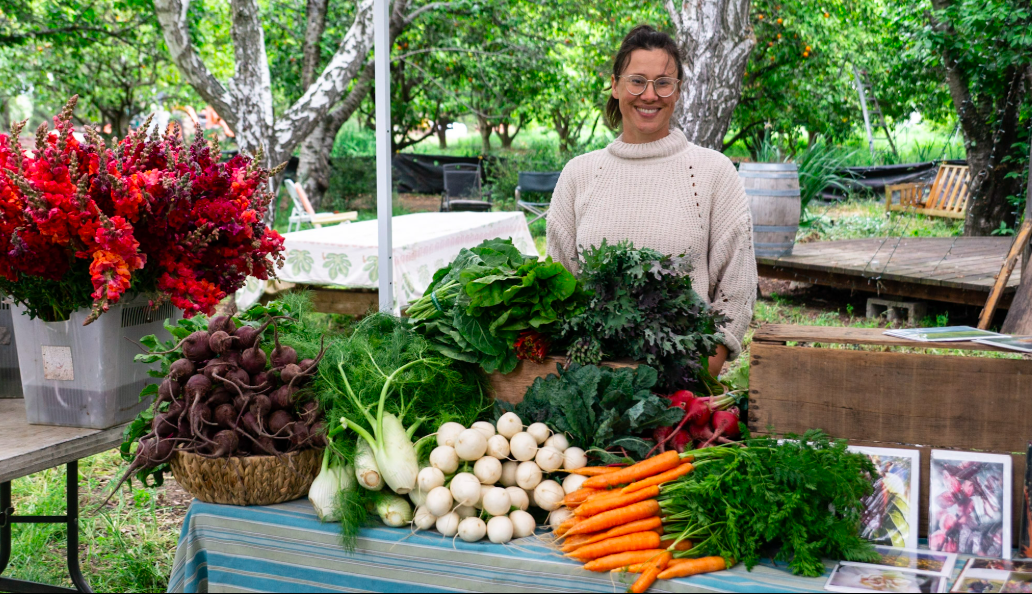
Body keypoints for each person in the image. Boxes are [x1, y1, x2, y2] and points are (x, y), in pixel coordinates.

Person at [546, 24, 758, 376]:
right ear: (615, 86)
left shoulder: (711, 172)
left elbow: (737, 288)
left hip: (683, 382)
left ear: (677, 92)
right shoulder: (579, 174)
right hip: (590, 383)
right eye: (637, 81)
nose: (649, 95)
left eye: (663, 82)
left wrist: (698, 377)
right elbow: (557, 284)